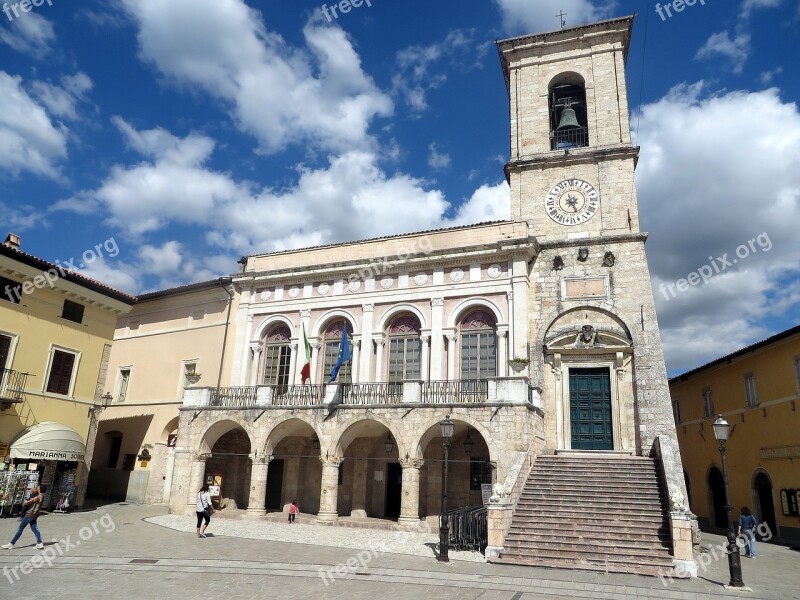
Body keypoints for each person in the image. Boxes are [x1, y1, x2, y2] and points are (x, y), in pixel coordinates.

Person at [2, 484, 46, 549]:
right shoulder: (42, 496)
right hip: (34, 514)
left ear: (40, 489)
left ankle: (11, 543)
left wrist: (27, 501)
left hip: (30, 514)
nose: (37, 489)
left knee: (20, 528)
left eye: (38, 488)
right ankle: (39, 543)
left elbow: (27, 503)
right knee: (34, 529)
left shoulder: (38, 497)